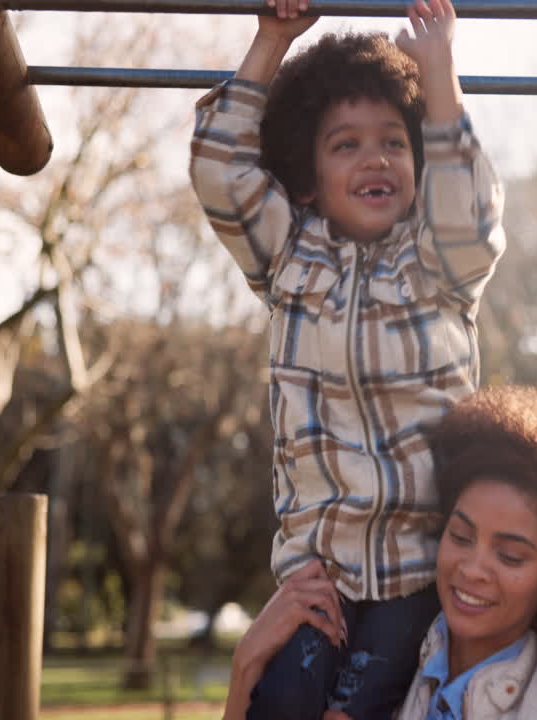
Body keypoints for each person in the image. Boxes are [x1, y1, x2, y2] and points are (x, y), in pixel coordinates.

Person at [189, 0, 505, 716]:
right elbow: (219, 171)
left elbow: (468, 205)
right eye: (346, 145)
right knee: (280, 700)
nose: (375, 158)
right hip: (317, 573)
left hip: (419, 572)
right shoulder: (290, 260)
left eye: (394, 142)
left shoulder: (439, 267)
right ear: (306, 179)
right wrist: (271, 40)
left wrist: (437, 69)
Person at [224, 383, 537, 719]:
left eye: (511, 556)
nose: (473, 568)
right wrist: (247, 669)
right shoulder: (374, 662)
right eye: (460, 536)